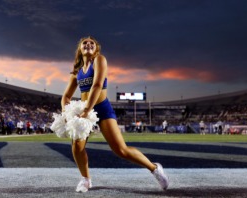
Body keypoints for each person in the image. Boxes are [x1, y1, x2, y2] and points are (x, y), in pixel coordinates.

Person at [61, 36, 169, 193]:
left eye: (92, 43)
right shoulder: (77, 71)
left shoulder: (99, 60)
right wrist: (66, 112)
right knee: (77, 147)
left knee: (121, 150)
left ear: (96, 48)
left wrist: (87, 110)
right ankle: (85, 180)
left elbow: (97, 85)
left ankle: (154, 168)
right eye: (85, 43)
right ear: (79, 49)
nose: (88, 44)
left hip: (101, 108)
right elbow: (66, 97)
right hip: (84, 109)